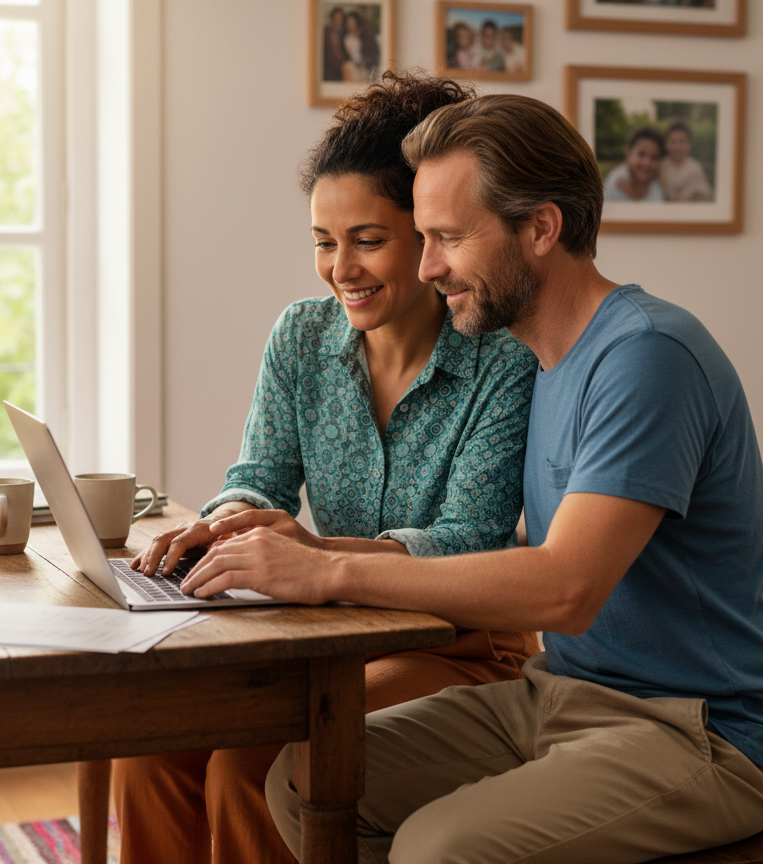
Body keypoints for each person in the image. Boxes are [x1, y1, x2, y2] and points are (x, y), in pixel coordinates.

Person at [229, 94, 763, 862]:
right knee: (304, 777)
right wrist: (293, 558)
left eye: (446, 237)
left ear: (540, 228)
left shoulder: (647, 356)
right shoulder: (543, 358)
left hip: (700, 730)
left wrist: (329, 569)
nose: (425, 266)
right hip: (559, 694)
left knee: (438, 848)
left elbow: (564, 590)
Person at [113, 74, 540, 864]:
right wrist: (230, 517)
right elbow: (259, 474)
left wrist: (319, 557)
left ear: (429, 235)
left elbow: (471, 540)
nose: (339, 268)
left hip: (457, 646)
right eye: (322, 240)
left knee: (250, 762)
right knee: (150, 747)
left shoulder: (503, 362)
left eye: (367, 239)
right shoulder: (301, 337)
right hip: (328, 633)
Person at [603, 124, 665, 202]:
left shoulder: (660, 181)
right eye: (641, 154)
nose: (647, 163)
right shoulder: (616, 183)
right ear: (628, 151)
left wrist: (635, 196)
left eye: (654, 157)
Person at [660, 119, 711, 202]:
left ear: (690, 145)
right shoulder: (662, 165)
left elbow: (704, 192)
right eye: (673, 142)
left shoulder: (695, 167)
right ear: (666, 144)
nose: (677, 146)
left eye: (682, 142)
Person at [322, 6, 347, 82]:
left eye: (340, 18)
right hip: (330, 68)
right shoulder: (327, 31)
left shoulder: (345, 31)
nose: (338, 20)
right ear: (332, 19)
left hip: (343, 66)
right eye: (336, 18)